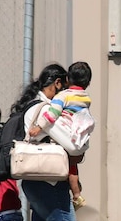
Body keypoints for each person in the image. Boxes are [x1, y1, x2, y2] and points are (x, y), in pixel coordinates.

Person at [15, 64, 114, 221]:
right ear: (59, 83)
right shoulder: (46, 110)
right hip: (51, 184)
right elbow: (73, 145)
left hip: (35, 183)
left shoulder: (35, 108)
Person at [29, 61, 93, 209]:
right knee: (73, 166)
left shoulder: (63, 96)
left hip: (65, 136)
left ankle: (75, 194)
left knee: (67, 165)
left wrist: (39, 127)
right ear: (88, 83)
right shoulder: (86, 98)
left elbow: (53, 114)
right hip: (78, 132)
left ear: (67, 80)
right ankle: (77, 194)